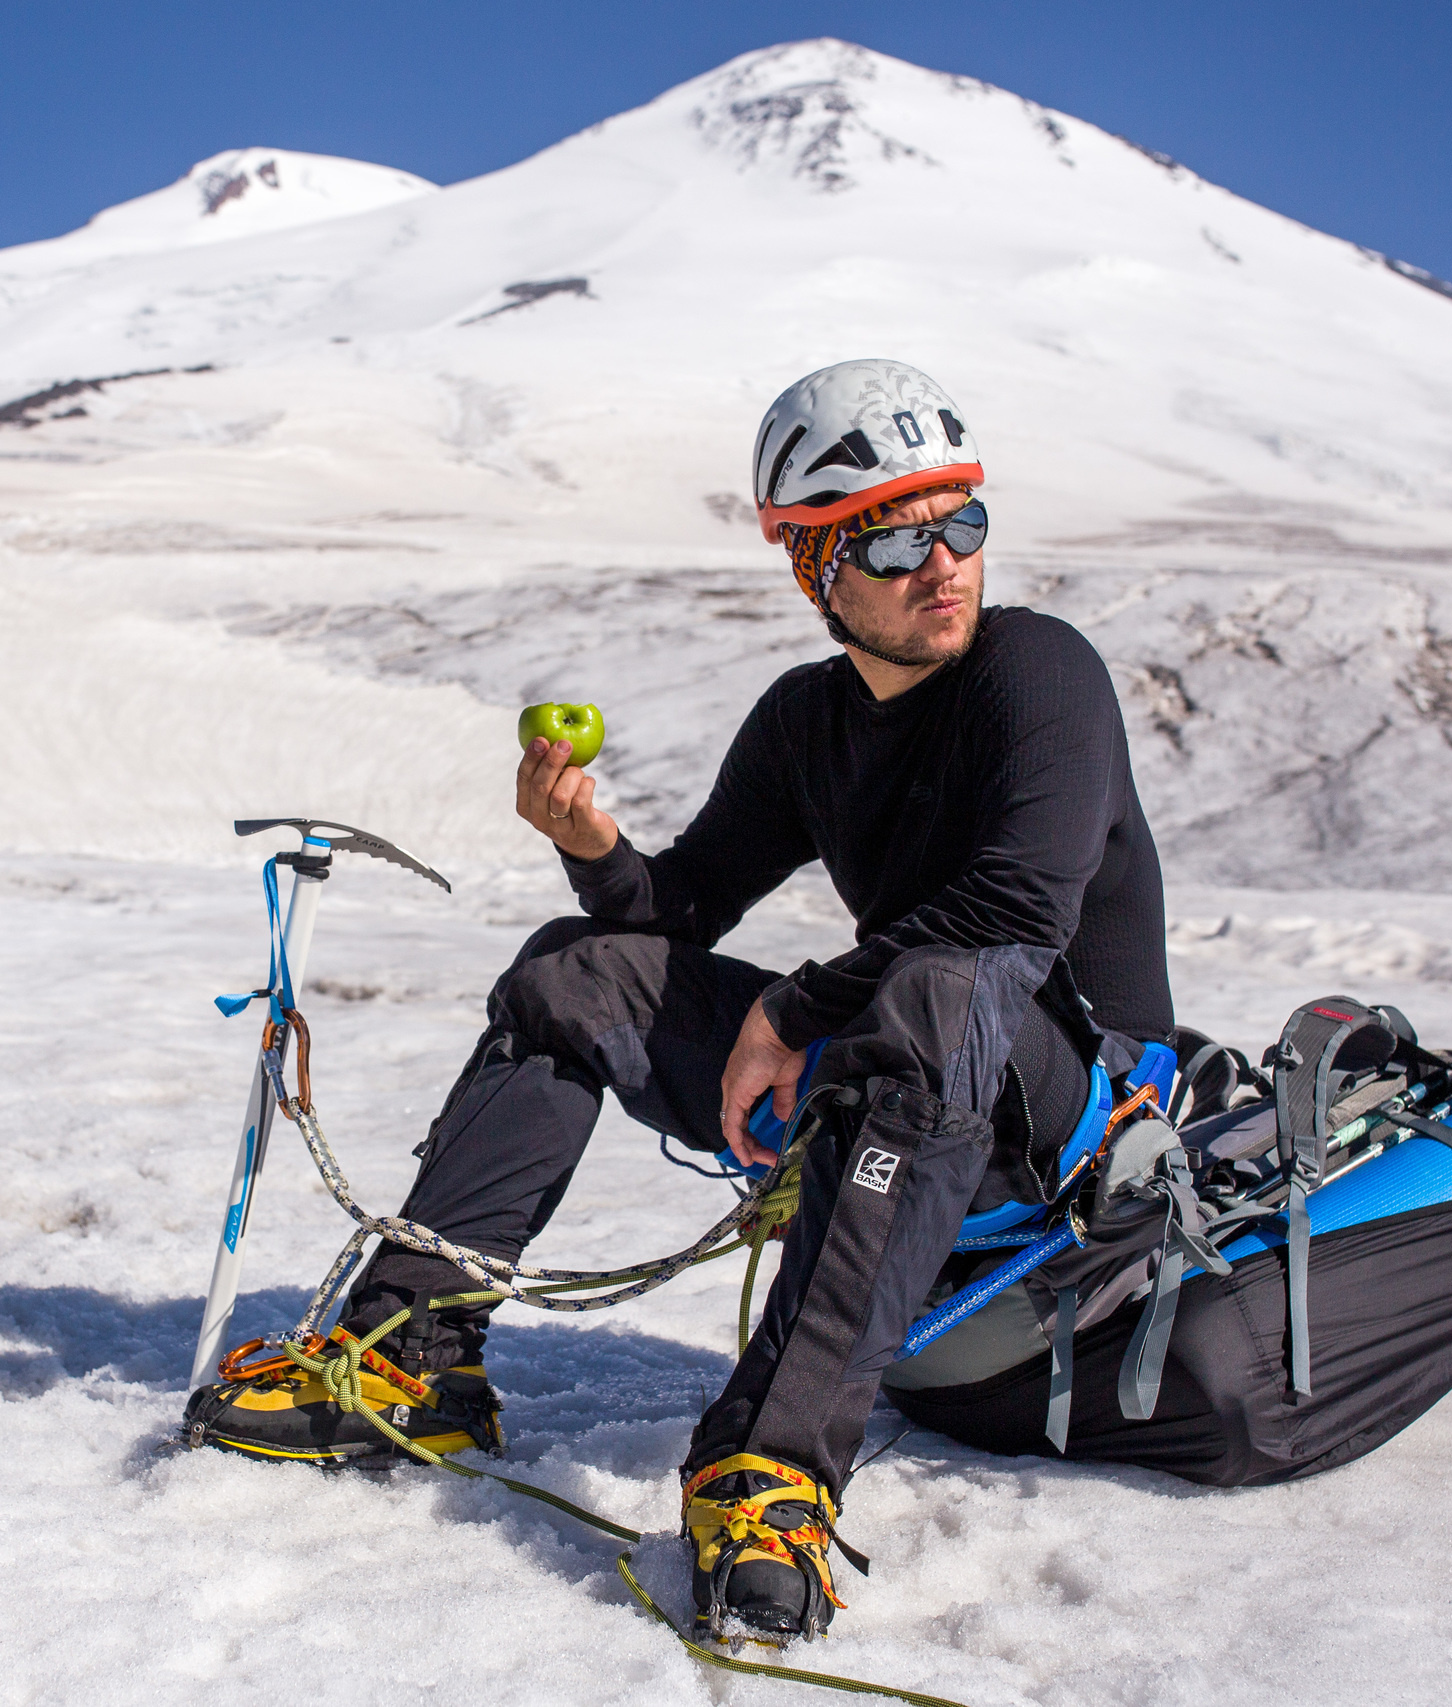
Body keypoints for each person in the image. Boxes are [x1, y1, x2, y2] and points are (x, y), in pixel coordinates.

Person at [184, 359, 1172, 1641]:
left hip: (1076, 1127)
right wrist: (592, 847)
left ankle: (771, 1475)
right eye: (893, 538)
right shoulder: (805, 723)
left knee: (931, 990)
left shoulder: (1039, 671)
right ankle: (412, 1351)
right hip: (910, 1079)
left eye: (961, 523)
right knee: (566, 974)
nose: (944, 566)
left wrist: (795, 1011)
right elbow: (678, 913)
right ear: (812, 567)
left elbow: (1019, 909)